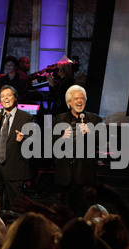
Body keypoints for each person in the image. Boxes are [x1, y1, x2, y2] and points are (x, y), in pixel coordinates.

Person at [0, 85, 34, 211]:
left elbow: (34, 142)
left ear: (15, 98)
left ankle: (13, 230)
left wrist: (24, 139)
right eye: (2, 96)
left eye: (8, 95)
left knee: (16, 209)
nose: (6, 98)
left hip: (15, 167)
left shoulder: (26, 117)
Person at [52, 85, 103, 216]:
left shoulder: (94, 119)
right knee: (65, 213)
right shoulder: (59, 119)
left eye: (82, 98)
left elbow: (102, 141)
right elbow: (49, 143)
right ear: (69, 102)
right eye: (76, 99)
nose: (79, 101)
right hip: (65, 174)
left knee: (85, 212)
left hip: (85, 175)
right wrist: (61, 138)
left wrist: (90, 132)